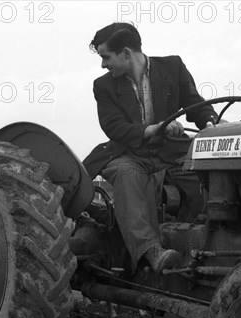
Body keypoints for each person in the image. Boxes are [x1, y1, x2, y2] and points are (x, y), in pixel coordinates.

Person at [82, 22, 218, 273]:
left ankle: (195, 248)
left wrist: (211, 122)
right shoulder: (103, 86)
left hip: (171, 152)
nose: (103, 64)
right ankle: (150, 252)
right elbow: (115, 127)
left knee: (211, 173)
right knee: (125, 174)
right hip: (130, 153)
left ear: (125, 53)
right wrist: (153, 129)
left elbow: (196, 104)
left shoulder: (173, 67)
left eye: (105, 57)